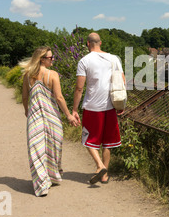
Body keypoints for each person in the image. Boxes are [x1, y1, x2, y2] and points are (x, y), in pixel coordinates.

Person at [21, 46, 80, 197]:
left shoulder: (27, 75)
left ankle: (42, 182)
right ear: (42, 59)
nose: (53, 59)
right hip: (52, 116)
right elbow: (59, 98)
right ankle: (51, 176)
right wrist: (68, 115)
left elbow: (25, 97)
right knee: (54, 146)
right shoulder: (52, 74)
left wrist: (27, 110)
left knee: (36, 147)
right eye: (50, 57)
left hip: (35, 116)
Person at [72, 32, 125, 185]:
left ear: (88, 43)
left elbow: (79, 88)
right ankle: (104, 175)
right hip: (110, 106)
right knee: (107, 142)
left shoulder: (84, 61)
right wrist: (121, 104)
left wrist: (74, 109)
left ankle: (99, 166)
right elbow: (121, 80)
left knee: (88, 139)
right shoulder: (114, 58)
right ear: (100, 43)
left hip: (92, 107)